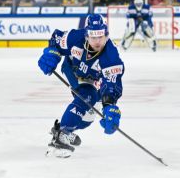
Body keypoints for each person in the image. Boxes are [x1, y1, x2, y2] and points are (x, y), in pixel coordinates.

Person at [37, 13, 126, 157]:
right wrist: (51, 53)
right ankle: (63, 133)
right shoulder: (75, 37)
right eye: (93, 36)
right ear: (86, 35)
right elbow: (56, 40)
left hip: (94, 79)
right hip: (72, 70)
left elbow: (112, 83)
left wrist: (109, 106)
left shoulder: (111, 55)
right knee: (87, 95)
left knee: (87, 119)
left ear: (106, 35)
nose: (97, 41)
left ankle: (60, 128)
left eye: (100, 36)